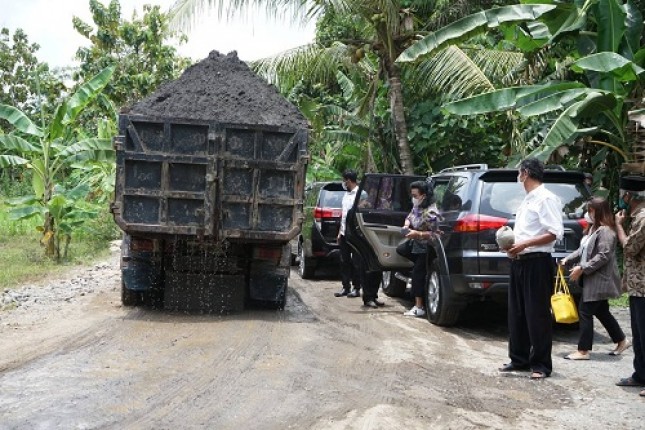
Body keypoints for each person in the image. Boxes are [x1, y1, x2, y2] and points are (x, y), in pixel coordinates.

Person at [499, 158, 564, 380]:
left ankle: (541, 364)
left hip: (537, 261)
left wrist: (525, 244)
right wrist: (514, 247)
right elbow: (526, 232)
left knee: (536, 314)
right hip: (520, 261)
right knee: (516, 312)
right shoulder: (527, 200)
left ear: (525, 173)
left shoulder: (546, 198)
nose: (518, 176)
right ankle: (519, 359)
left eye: (519, 172)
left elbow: (554, 232)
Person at [560, 197, 629, 360]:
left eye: (590, 210)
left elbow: (603, 255)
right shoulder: (593, 229)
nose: (587, 214)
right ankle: (621, 340)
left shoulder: (605, 231)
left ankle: (583, 351)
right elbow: (582, 250)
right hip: (592, 279)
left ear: (598, 212)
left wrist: (583, 268)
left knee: (585, 311)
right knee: (602, 311)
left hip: (599, 279)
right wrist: (568, 259)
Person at [614, 175, 645, 397]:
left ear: (629, 196)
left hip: (644, 287)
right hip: (637, 286)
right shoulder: (637, 217)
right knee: (638, 333)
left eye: (623, 194)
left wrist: (618, 227)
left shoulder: (643, 218)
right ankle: (640, 375)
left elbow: (629, 247)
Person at [401, 181, 441, 317]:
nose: (413, 198)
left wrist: (418, 234)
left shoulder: (431, 212)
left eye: (415, 195)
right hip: (416, 245)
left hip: (428, 248)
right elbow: (410, 215)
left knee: (418, 275)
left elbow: (436, 234)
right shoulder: (417, 206)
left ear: (423, 196)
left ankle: (419, 306)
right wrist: (407, 225)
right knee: (401, 250)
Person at [334, 170, 362, 298]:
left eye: (344, 180)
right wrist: (340, 232)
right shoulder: (346, 195)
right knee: (344, 261)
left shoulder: (361, 194)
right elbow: (343, 215)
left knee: (356, 262)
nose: (343, 183)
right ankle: (345, 287)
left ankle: (357, 288)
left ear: (349, 181)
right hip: (345, 233)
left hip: (355, 234)